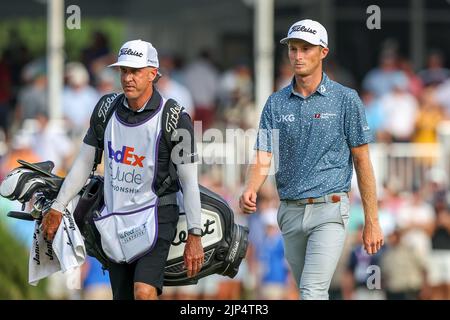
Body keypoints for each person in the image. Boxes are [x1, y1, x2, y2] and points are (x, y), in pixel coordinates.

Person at [41, 39, 204, 300]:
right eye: (123, 71)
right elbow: (84, 162)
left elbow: (189, 181)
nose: (128, 78)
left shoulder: (175, 118)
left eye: (135, 71)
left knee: (143, 292)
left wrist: (195, 234)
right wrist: (58, 207)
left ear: (153, 73)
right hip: (115, 215)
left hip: (158, 214)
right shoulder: (106, 109)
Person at [239, 19, 384, 300]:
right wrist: (250, 187)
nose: (298, 55)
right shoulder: (276, 102)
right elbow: (263, 153)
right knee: (309, 291)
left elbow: (363, 162)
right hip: (290, 212)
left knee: (312, 291)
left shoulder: (346, 99)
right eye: (293, 49)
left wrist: (372, 221)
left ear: (323, 52)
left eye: (306, 48)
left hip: (330, 211)